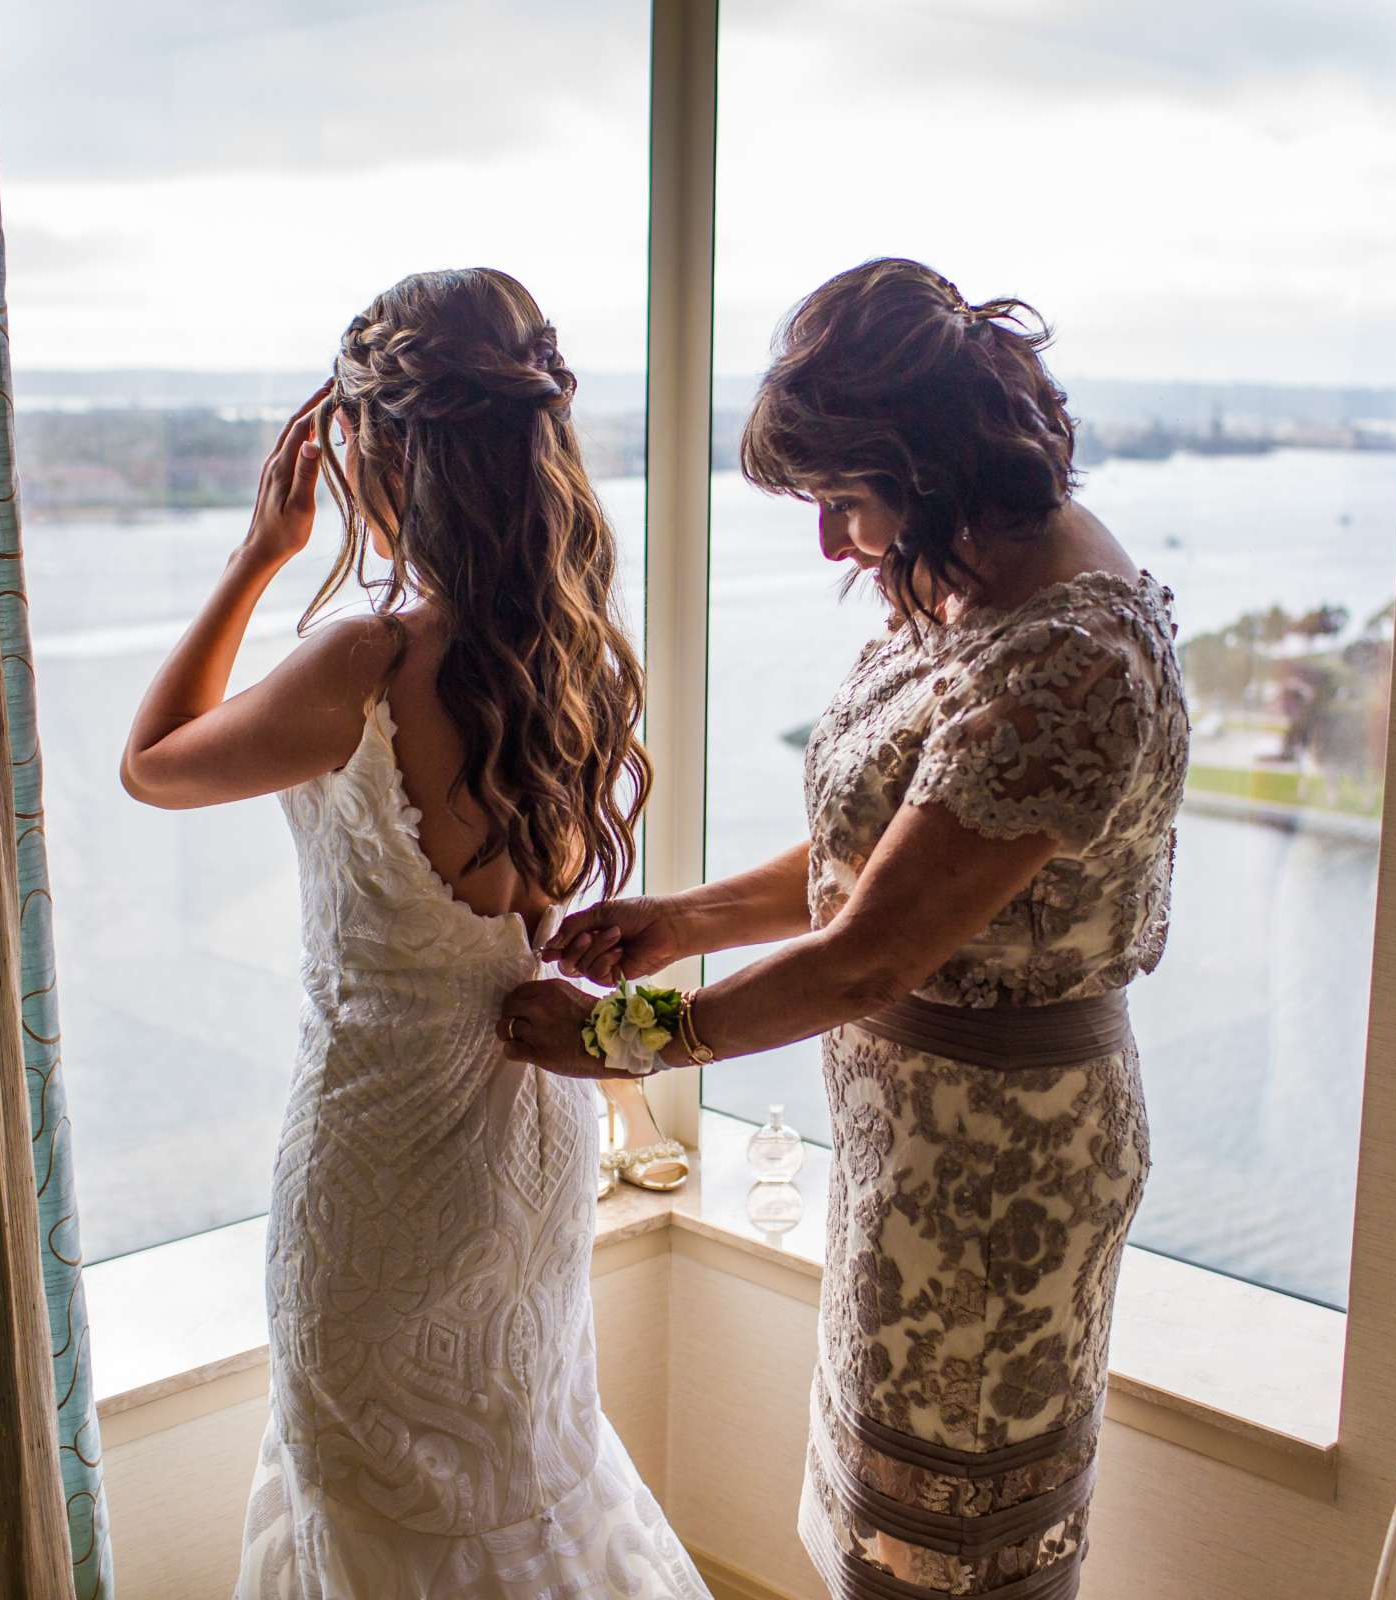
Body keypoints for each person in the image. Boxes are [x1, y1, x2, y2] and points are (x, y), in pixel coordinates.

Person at [503, 258, 1189, 1598]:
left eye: (842, 502)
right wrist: (682, 918)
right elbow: (881, 862)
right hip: (920, 1148)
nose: (830, 544)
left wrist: (623, 1039)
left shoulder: (1066, 661)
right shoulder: (978, 591)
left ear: (928, 472)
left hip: (1002, 1176)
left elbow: (875, 950)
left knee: (947, 1560)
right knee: (890, 1523)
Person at [122, 267, 707, 1599]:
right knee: (528, 1474)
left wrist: (258, 556)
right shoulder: (570, 652)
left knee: (375, 1508)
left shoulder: (365, 667)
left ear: (384, 459)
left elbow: (152, 761)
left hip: (379, 1167)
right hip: (527, 1158)